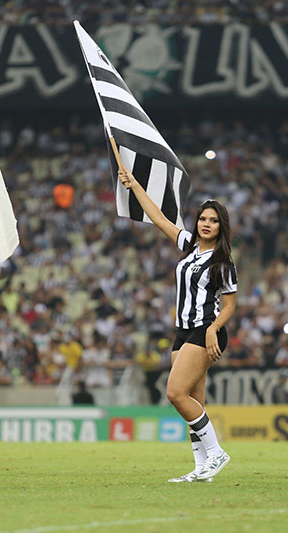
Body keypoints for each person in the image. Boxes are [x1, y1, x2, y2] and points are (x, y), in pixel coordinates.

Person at [119, 167, 237, 483]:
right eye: (203, 219)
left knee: (175, 393)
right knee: (193, 401)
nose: (206, 224)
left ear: (221, 226)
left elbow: (230, 306)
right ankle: (202, 469)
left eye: (213, 220)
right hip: (183, 331)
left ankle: (216, 453)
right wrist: (134, 186)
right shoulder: (187, 245)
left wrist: (213, 329)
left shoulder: (222, 261)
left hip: (206, 330)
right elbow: (159, 218)